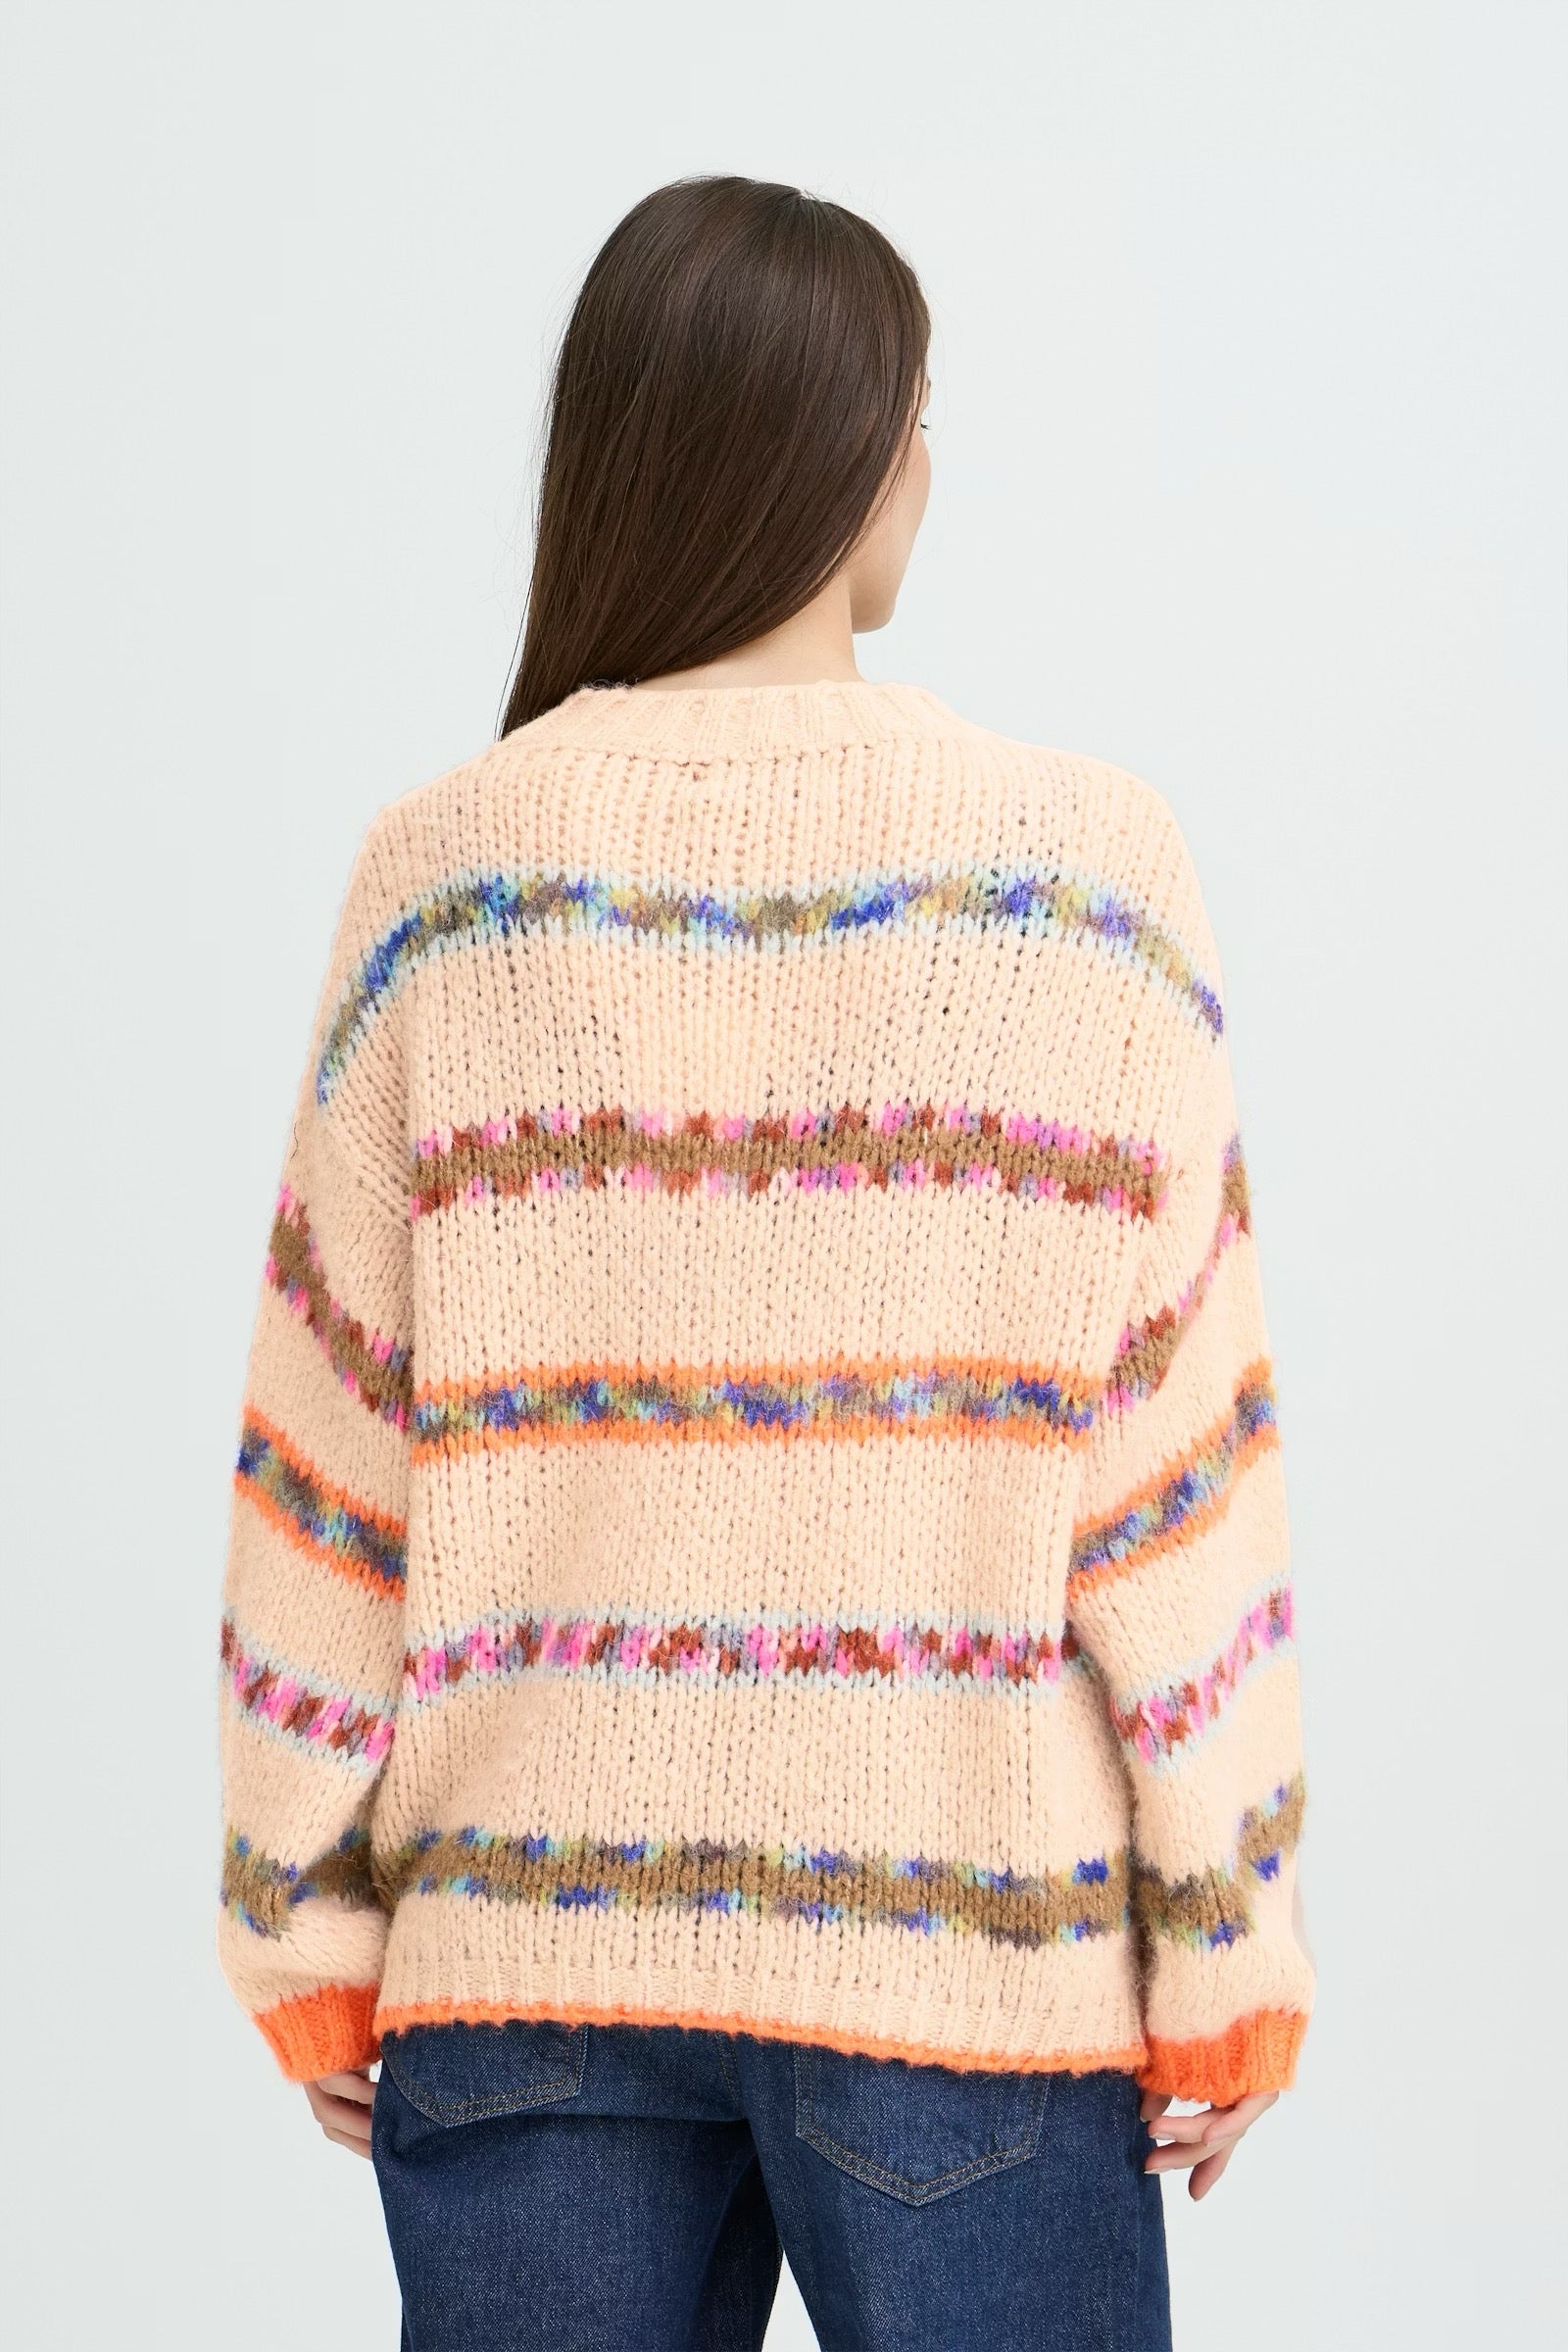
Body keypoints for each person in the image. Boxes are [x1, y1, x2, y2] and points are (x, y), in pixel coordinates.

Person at [215, 173, 1314, 2351]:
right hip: (967, 1963)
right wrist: (1229, 1934)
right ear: (860, 456)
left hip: (518, 1965)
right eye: (921, 422)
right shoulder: (1084, 878)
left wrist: (297, 1909)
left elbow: (330, 1458)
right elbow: (1173, 1469)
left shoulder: (446, 878)